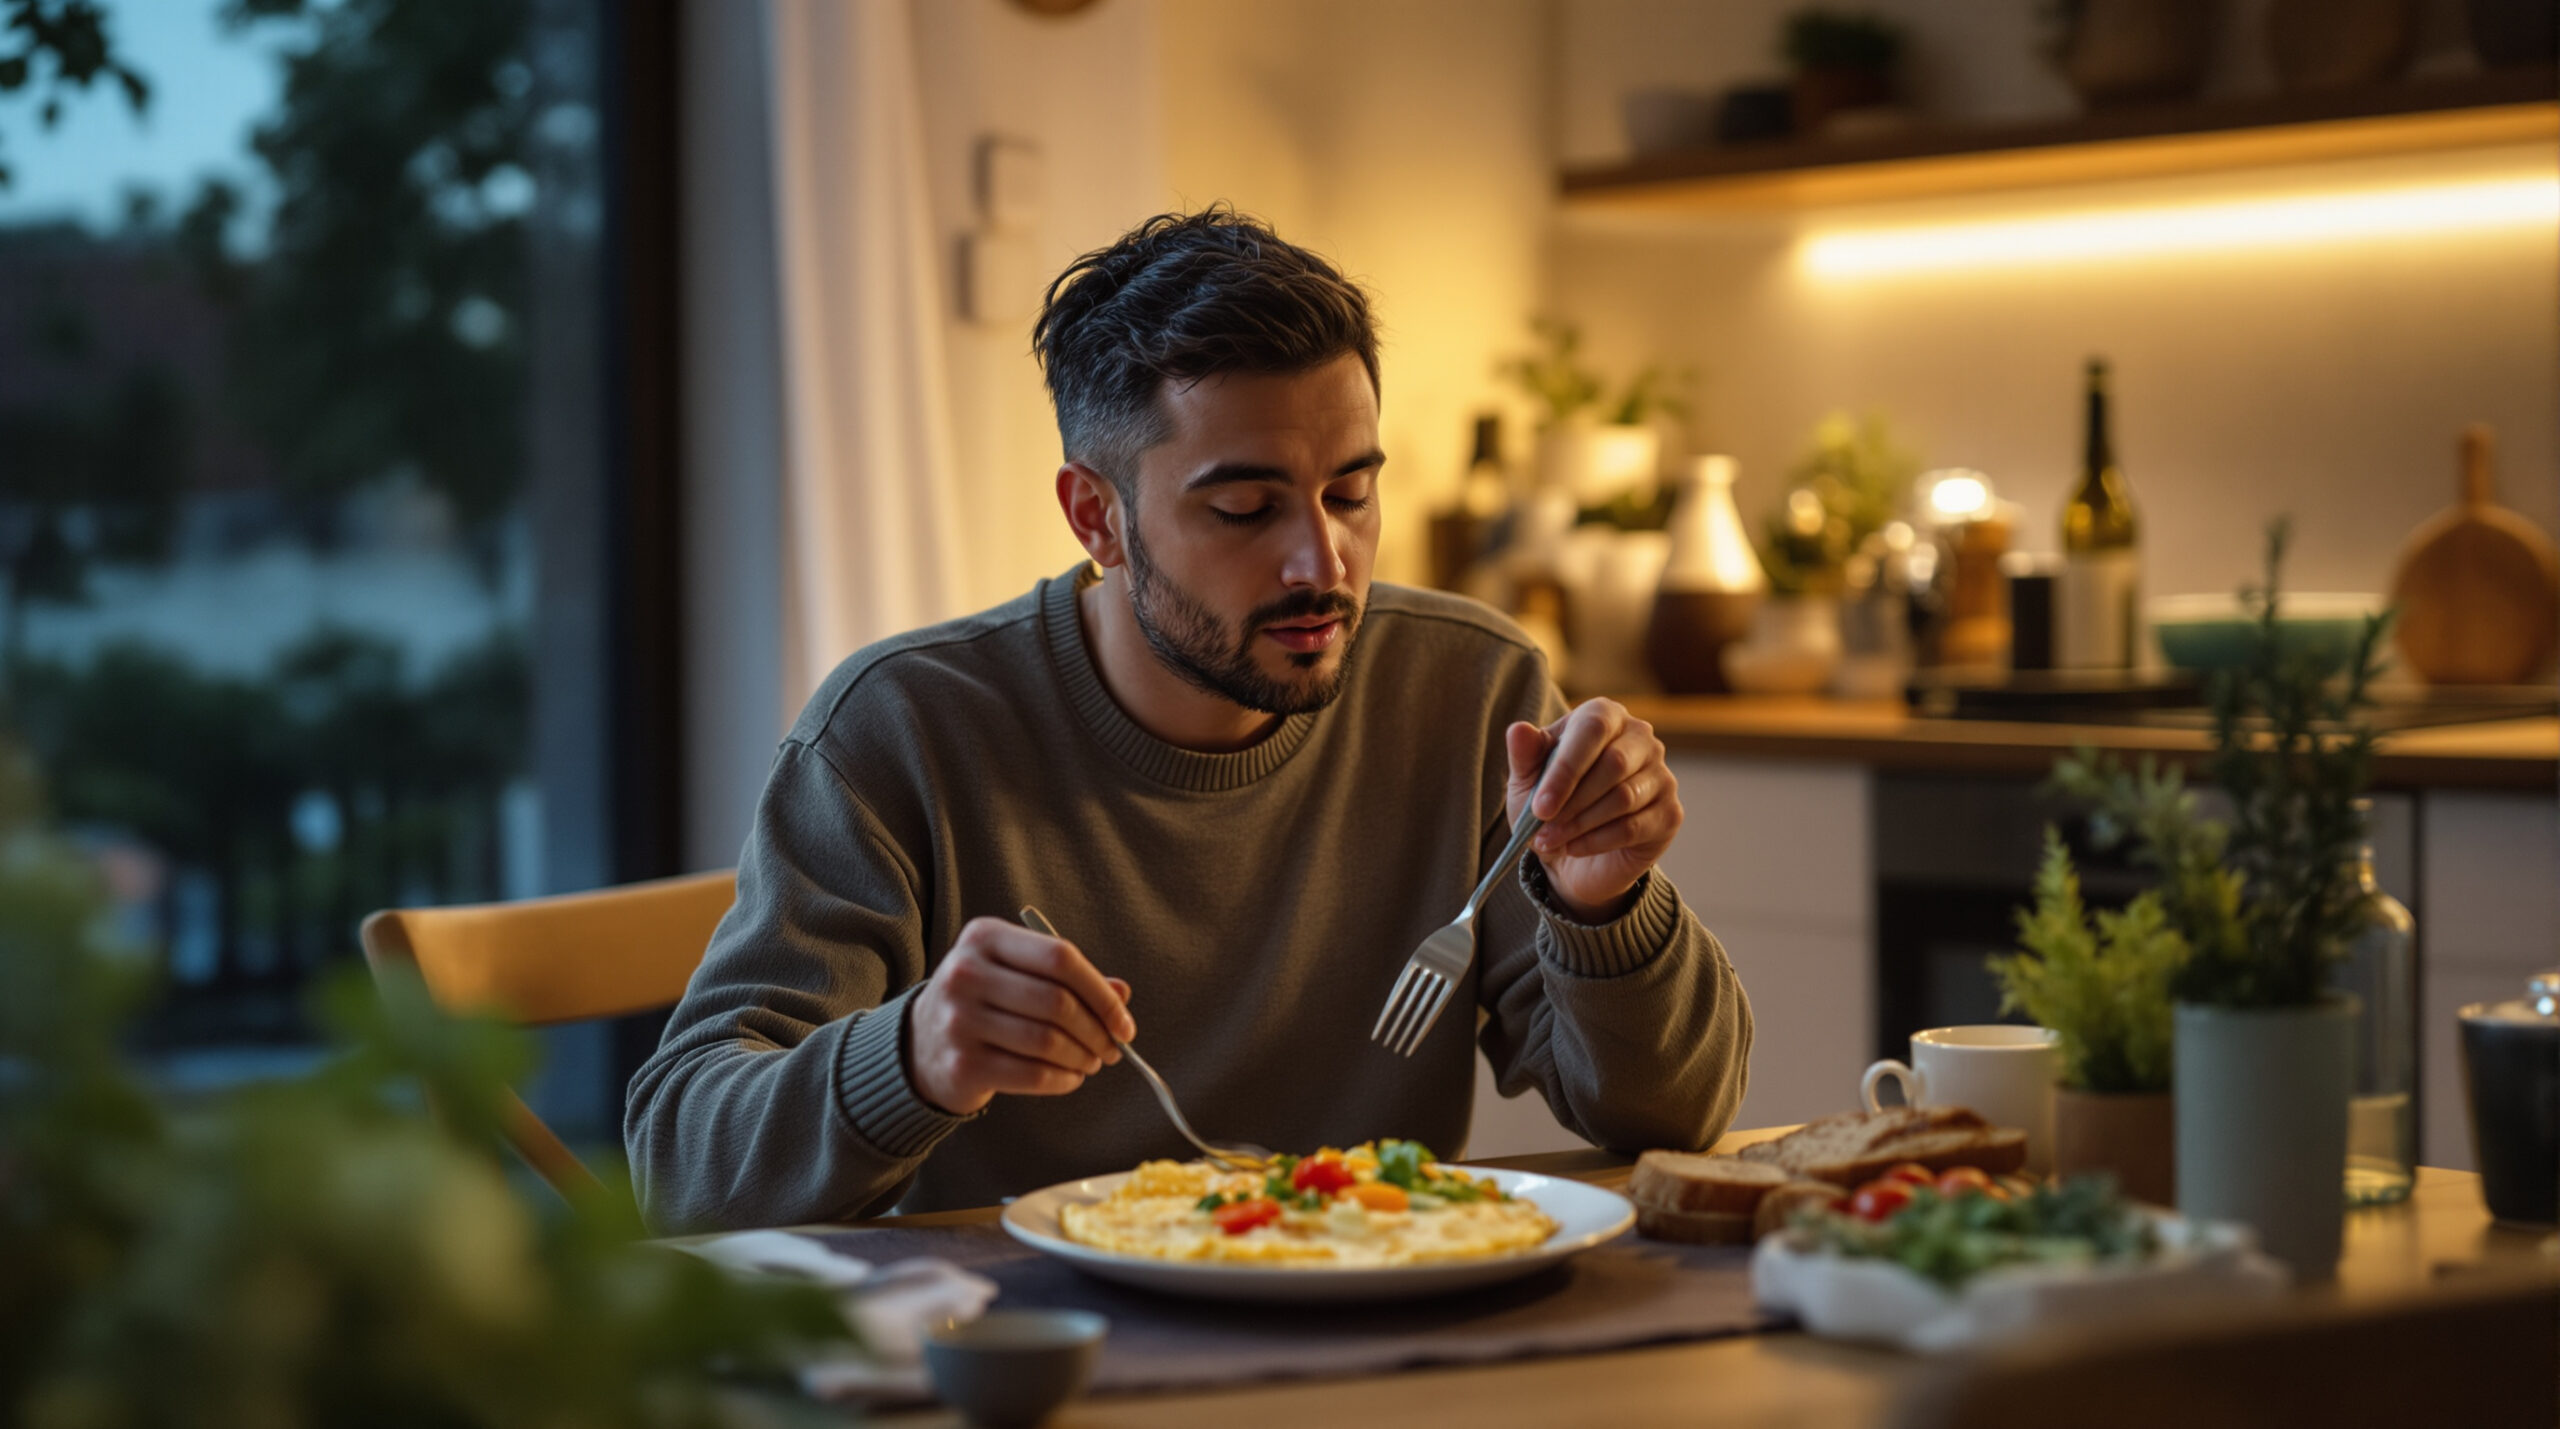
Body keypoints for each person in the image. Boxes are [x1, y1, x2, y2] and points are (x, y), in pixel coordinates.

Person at [626, 208, 1751, 1231]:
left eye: (1352, 493)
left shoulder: (1468, 690)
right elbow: (680, 1163)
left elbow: (1673, 1121)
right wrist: (911, 1055)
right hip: (1026, 1354)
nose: (1324, 560)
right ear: (1096, 518)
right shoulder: (902, 728)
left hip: (1372, 1331)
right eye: (1246, 507)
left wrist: (1603, 901)